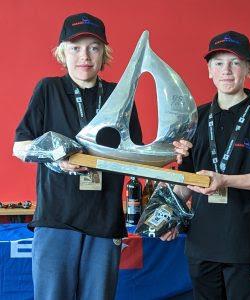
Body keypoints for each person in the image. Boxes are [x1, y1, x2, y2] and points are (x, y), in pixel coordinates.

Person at [13, 12, 190, 300]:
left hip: (105, 225)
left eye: (93, 47)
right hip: (57, 221)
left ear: (104, 53)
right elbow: (19, 147)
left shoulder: (119, 96)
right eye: (75, 47)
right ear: (63, 53)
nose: (84, 56)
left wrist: (174, 152)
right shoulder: (48, 89)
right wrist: (54, 156)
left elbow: (137, 158)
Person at [162, 31, 250, 299]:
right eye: (218, 63)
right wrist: (170, 214)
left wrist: (225, 180)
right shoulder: (197, 117)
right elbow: (187, 180)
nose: (226, 70)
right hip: (201, 244)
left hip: (244, 244)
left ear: (249, 69)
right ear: (209, 70)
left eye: (235, 62)